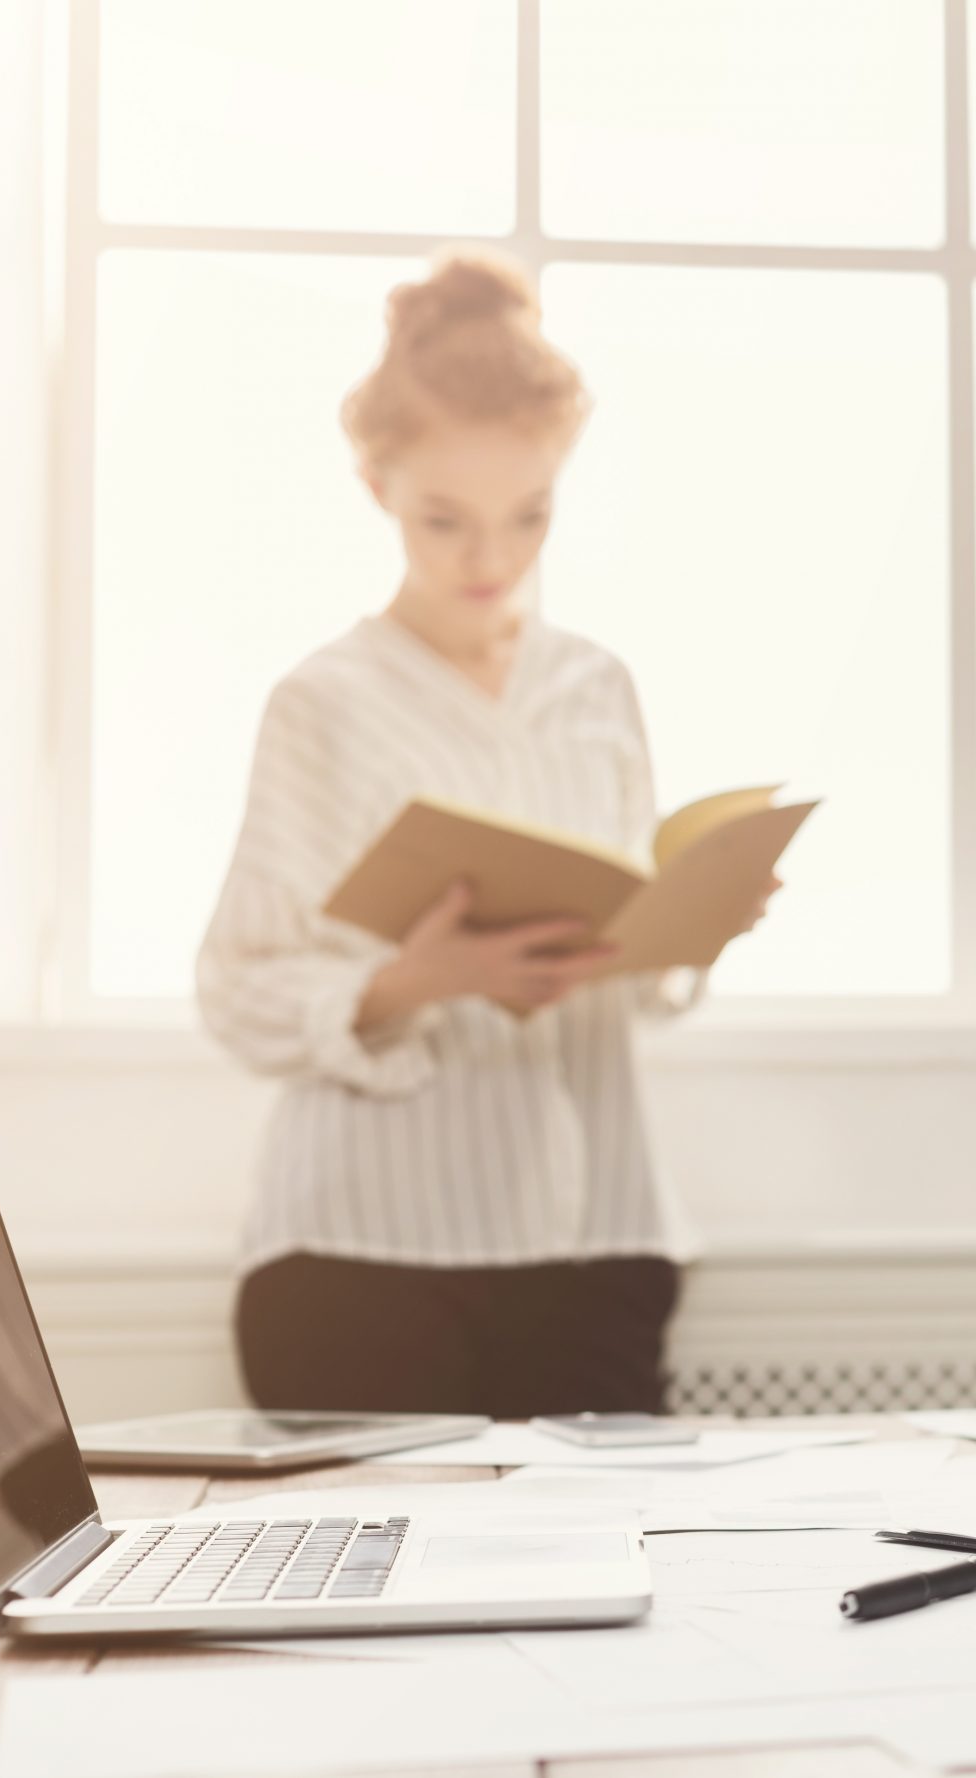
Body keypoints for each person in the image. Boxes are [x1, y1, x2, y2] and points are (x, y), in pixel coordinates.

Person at [199, 248, 758, 1418]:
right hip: (363, 1257)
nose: (489, 559)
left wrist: (689, 925)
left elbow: (632, 971)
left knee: (612, 1585)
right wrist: (410, 979)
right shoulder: (325, 701)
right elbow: (237, 983)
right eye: (443, 519)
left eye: (528, 517)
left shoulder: (597, 686)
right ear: (375, 483)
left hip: (598, 1240)